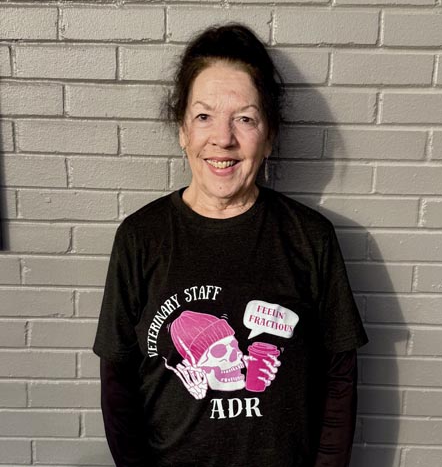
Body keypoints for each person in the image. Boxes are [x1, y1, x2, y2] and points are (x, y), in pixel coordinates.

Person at [93, 24, 368, 467]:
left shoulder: (309, 237)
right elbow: (117, 383)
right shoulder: (141, 238)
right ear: (182, 129)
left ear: (269, 136)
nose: (223, 138)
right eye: (204, 116)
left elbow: (340, 380)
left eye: (245, 118)